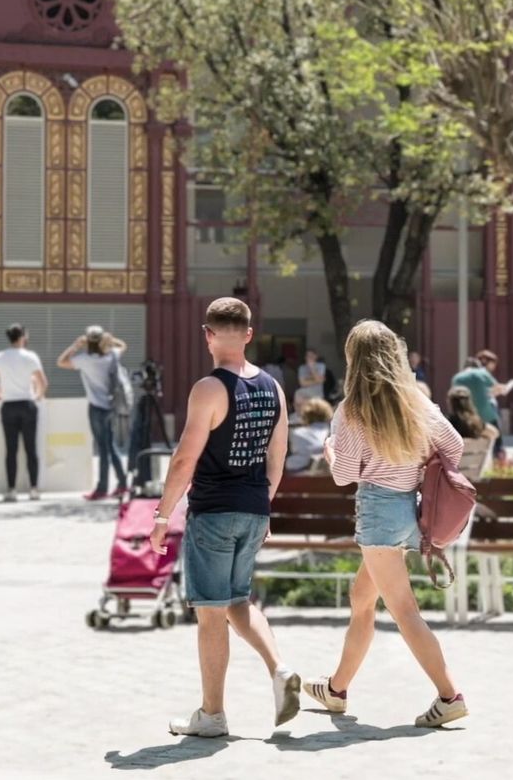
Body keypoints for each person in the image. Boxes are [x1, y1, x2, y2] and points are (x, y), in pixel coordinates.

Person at [306, 319, 469, 728]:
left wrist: (330, 452)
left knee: (404, 610)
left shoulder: (351, 409)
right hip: (409, 509)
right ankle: (337, 689)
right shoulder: (415, 401)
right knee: (362, 598)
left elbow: (344, 475)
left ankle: (449, 695)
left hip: (378, 513)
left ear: (353, 359)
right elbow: (454, 445)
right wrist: (416, 463)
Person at [151, 297, 299, 738]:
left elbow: (184, 460)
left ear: (208, 335)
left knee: (211, 614)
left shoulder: (208, 389)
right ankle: (279, 668)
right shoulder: (273, 388)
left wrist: (162, 516)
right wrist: (264, 505)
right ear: (249, 335)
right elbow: (277, 456)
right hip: (254, 508)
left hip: (214, 511)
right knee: (237, 602)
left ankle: (212, 715)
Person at [59, 326, 130, 500]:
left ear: (88, 341)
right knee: (110, 446)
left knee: (103, 448)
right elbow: (123, 345)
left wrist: (76, 345)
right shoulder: (112, 355)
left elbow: (61, 362)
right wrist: (110, 339)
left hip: (96, 408)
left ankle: (102, 488)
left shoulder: (84, 359)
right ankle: (122, 484)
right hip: (111, 406)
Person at [0, 323, 48, 502]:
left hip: (9, 405)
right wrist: (38, 396)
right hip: (27, 404)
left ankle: (11, 490)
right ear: (23, 337)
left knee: (10, 450)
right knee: (31, 448)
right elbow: (43, 382)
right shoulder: (31, 356)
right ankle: (33, 489)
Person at [453, 350, 513, 459]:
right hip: (486, 414)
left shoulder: (457, 378)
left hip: (465, 416)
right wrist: (506, 387)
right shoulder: (482, 373)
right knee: (496, 437)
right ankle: (498, 454)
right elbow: (498, 388)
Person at [286, 398, 334, 474]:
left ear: (305, 414)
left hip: (301, 472)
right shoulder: (334, 431)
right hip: (330, 471)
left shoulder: (296, 433)